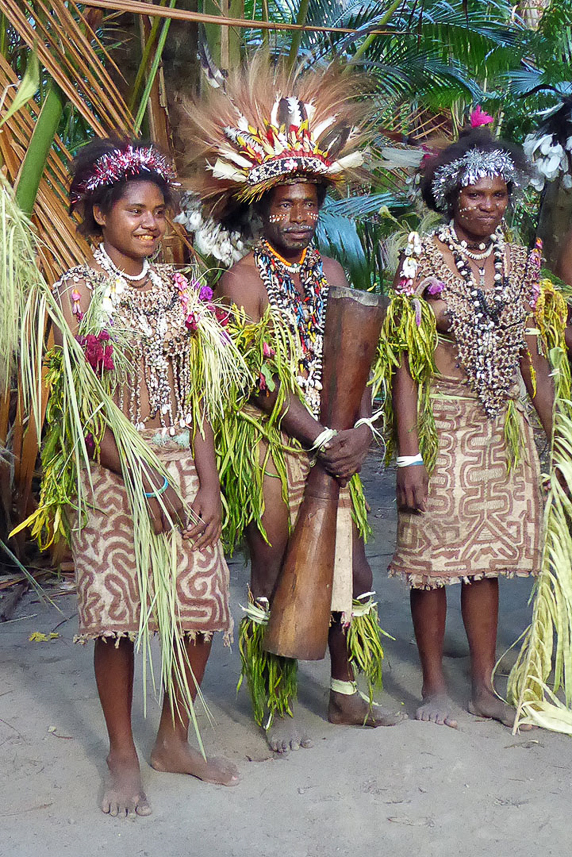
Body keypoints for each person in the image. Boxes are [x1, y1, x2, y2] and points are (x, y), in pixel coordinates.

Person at [184, 59, 405, 753]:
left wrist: (362, 431)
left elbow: (357, 355)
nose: (299, 216)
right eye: (284, 204)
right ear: (259, 209)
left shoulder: (335, 272)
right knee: (276, 567)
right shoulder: (241, 282)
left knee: (354, 572)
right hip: (273, 444)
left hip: (335, 440)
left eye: (309, 203)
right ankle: (274, 703)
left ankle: (343, 696)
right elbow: (253, 379)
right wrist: (316, 436)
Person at [36, 138, 242, 816]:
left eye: (159, 212)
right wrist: (140, 473)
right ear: (98, 213)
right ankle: (123, 754)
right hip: (111, 476)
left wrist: (207, 484)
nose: (151, 223)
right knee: (118, 620)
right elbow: (74, 415)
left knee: (201, 606)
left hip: (182, 465)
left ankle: (173, 738)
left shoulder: (182, 290)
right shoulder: (75, 294)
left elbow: (198, 398)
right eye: (134, 211)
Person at [378, 124, 561, 729]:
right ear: (452, 195)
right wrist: (409, 456)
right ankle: (433, 687)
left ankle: (482, 684)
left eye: (499, 195)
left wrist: (557, 438)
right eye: (476, 195)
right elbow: (403, 361)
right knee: (432, 560)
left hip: (499, 426)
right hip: (439, 421)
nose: (488, 206)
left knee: (484, 564)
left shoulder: (520, 263)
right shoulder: (421, 258)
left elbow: (532, 356)